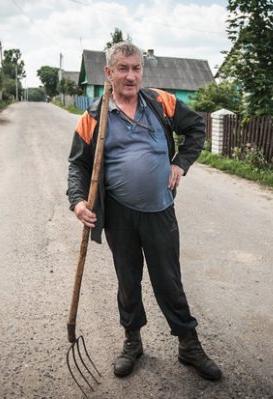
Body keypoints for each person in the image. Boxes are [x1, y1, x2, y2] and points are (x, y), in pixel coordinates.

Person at [67, 41, 221, 381]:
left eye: (136, 68)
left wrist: (180, 163)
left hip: (160, 210)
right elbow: (77, 167)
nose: (131, 75)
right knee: (128, 281)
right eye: (123, 69)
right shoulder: (93, 117)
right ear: (108, 73)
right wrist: (78, 202)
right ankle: (132, 342)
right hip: (119, 215)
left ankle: (188, 345)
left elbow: (196, 128)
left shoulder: (160, 102)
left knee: (169, 281)